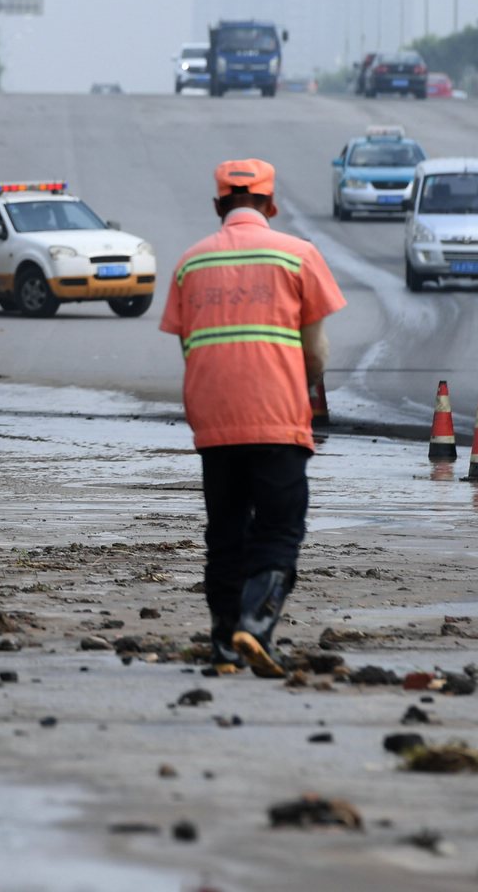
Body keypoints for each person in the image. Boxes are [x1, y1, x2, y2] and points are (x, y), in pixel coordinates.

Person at [159, 159, 347, 678]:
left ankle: (223, 644)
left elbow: (188, 346)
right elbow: (317, 353)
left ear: (219, 205)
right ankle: (255, 623)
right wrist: (299, 390)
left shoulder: (192, 263)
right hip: (276, 416)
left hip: (215, 419)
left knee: (224, 530)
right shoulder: (298, 256)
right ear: (271, 205)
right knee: (281, 525)